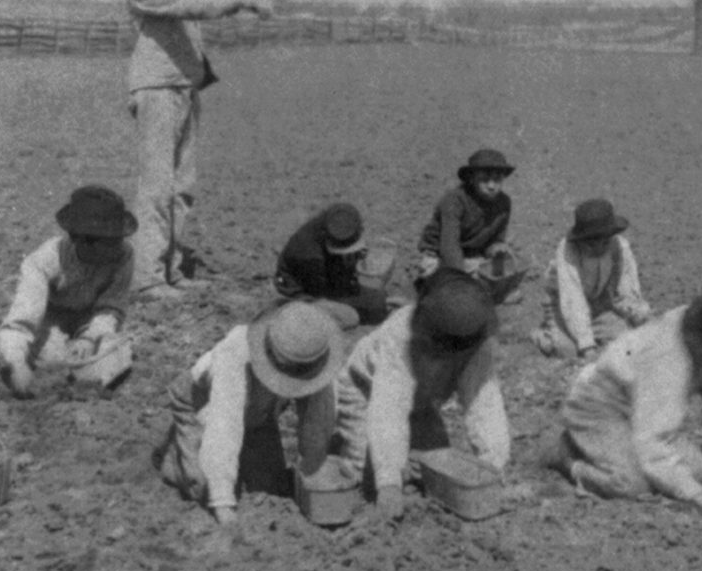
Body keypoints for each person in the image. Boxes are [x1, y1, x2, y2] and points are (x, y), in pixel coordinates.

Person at [123, 0, 270, 293]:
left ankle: (170, 271)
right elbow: (195, 4)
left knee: (182, 185)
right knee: (158, 186)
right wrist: (238, 0)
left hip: (183, 88)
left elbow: (193, 0)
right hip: (157, 89)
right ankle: (147, 278)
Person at [553, 286, 702, 512]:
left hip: (639, 411)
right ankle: (568, 457)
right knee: (631, 484)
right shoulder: (667, 359)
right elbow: (653, 443)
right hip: (599, 407)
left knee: (699, 471)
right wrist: (697, 494)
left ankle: (603, 452)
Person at [331, 273, 510, 517]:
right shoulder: (401, 336)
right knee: (367, 478)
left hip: (424, 403)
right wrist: (389, 484)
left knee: (436, 471)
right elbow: (389, 408)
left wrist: (493, 468)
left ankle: (407, 451)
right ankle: (347, 445)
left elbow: (485, 405)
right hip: (366, 390)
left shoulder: (477, 343)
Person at [156, 301, 346, 525]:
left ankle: (245, 452)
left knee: (271, 487)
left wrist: (314, 472)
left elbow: (318, 418)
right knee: (203, 489)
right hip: (202, 403)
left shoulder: (315, 354)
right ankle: (174, 458)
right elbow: (224, 423)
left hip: (259, 414)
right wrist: (222, 504)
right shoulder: (235, 353)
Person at [0, 184, 138, 396]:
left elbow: (112, 306)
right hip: (51, 317)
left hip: (91, 317)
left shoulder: (124, 254)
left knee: (112, 352)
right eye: (108, 241)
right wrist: (16, 361)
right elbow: (21, 320)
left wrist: (89, 337)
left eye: (117, 238)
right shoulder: (45, 259)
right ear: (80, 239)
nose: (116, 247)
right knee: (54, 360)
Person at [532, 198, 653, 359]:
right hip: (561, 306)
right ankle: (543, 335)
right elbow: (572, 299)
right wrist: (587, 346)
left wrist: (640, 317)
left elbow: (626, 289)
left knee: (625, 342)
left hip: (598, 304)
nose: (599, 248)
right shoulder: (568, 250)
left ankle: (592, 334)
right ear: (581, 239)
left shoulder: (619, 246)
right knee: (568, 351)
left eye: (604, 242)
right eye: (591, 244)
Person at [415, 148, 525, 302]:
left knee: (506, 275)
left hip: (474, 255)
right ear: (472, 179)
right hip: (441, 254)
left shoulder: (504, 203)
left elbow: (496, 241)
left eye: (497, 179)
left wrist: (497, 250)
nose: (492, 185)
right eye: (485, 179)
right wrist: (460, 282)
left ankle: (480, 291)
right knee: (447, 288)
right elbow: (449, 247)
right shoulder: (454, 201)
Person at [275, 202, 390, 328]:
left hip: (325, 275)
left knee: (377, 295)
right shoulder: (309, 255)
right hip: (302, 291)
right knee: (350, 317)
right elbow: (325, 292)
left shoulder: (335, 220)